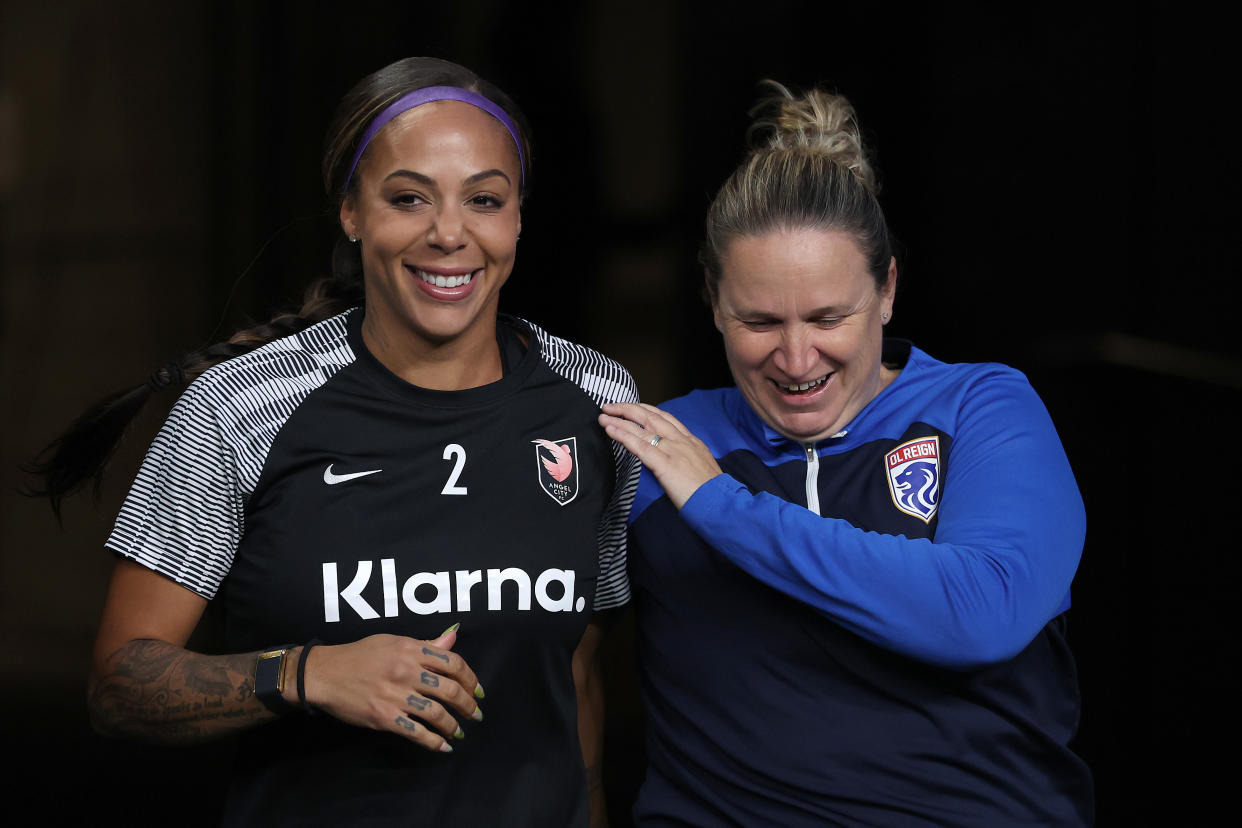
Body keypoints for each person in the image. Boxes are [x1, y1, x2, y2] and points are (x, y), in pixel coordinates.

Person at [31, 56, 638, 826]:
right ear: (351, 211)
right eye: (407, 198)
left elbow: (579, 669)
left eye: (484, 199)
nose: (449, 233)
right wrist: (307, 674)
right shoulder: (241, 409)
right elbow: (119, 685)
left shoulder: (599, 403)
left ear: (518, 215)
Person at [600, 82, 1093, 826]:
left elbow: (983, 611)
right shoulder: (663, 441)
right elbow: (515, 612)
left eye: (829, 316)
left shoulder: (983, 408)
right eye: (759, 320)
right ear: (711, 298)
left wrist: (718, 504)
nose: (797, 358)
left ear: (888, 288)